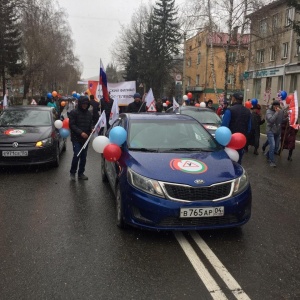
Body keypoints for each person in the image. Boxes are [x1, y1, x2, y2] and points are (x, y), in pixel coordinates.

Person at [221, 92, 251, 164]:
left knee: (229, 160)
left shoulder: (230, 110)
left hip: (230, 141)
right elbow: (249, 128)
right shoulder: (248, 111)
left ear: (234, 99)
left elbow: (224, 127)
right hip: (242, 141)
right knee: (238, 161)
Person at [69, 96, 93, 180]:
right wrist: (81, 132)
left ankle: (81, 173)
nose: (84, 105)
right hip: (76, 138)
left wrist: (92, 128)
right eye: (83, 104)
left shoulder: (89, 113)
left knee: (83, 157)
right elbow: (72, 125)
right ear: (80, 104)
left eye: (86, 104)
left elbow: (91, 124)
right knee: (77, 155)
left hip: (86, 139)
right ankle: (72, 172)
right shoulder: (74, 112)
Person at [264, 100, 283, 167]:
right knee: (273, 145)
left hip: (277, 131)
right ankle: (271, 161)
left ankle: (268, 154)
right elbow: (271, 120)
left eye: (277, 106)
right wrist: (277, 113)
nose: (276, 107)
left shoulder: (280, 111)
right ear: (273, 106)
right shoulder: (268, 111)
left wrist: (287, 118)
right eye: (275, 106)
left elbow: (281, 120)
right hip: (270, 131)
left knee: (276, 147)